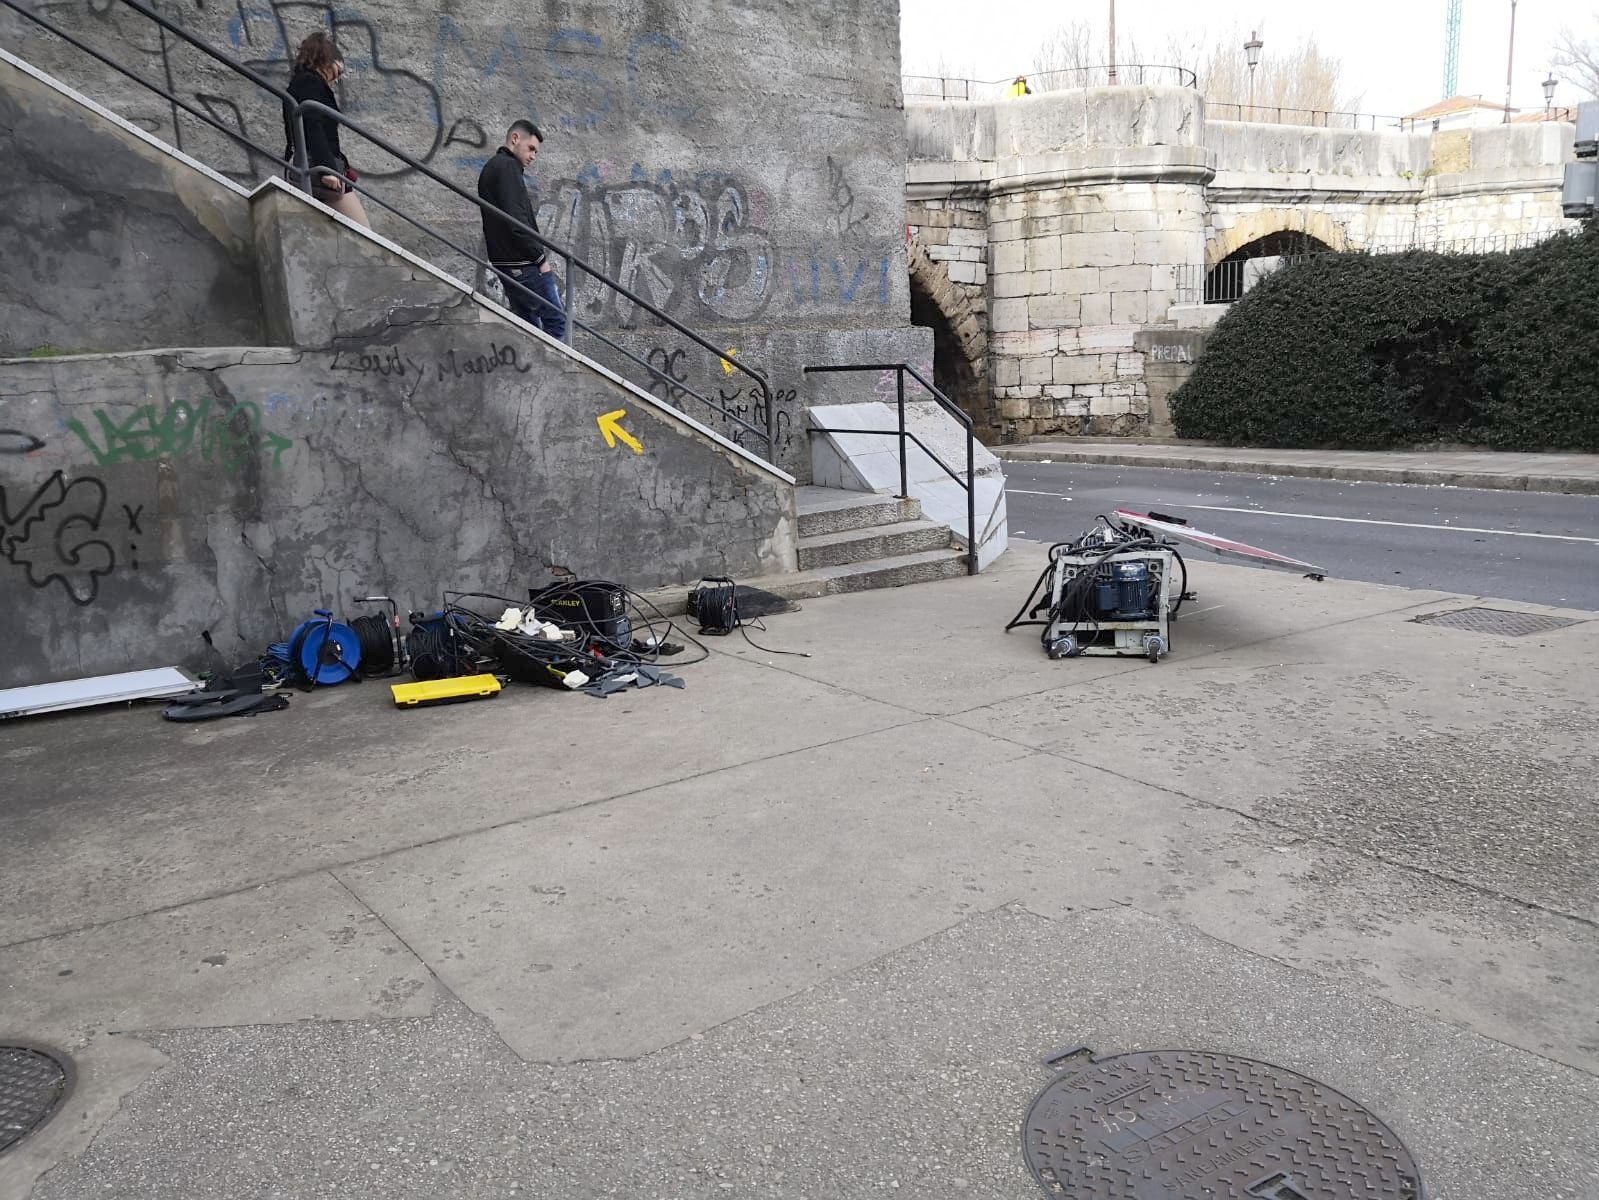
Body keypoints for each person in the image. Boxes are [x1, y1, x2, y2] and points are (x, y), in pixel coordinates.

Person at [476, 120, 566, 340]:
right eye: (531, 148)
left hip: (506, 262)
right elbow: (516, 220)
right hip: (522, 264)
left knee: (529, 327)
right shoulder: (507, 168)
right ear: (515, 139)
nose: (533, 156)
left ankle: (532, 371)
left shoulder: (495, 167)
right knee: (557, 321)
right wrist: (540, 258)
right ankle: (548, 374)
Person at [282, 31, 369, 228]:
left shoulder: (302, 83)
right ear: (327, 60)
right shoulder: (310, 83)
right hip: (319, 170)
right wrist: (328, 170)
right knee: (364, 231)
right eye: (338, 71)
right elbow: (312, 127)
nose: (337, 79)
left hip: (314, 168)